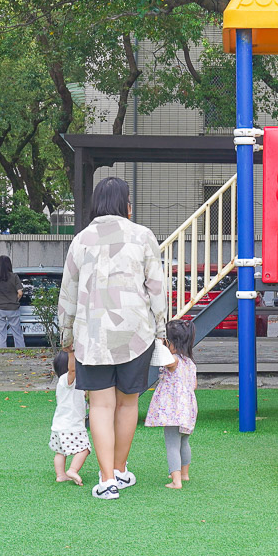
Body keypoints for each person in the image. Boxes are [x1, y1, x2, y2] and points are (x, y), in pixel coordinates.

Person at [58, 176, 166, 500]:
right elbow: (157, 288)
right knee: (128, 403)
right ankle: (120, 469)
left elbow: (68, 292)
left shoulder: (81, 240)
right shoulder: (143, 236)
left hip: (91, 336)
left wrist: (67, 335)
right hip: (135, 333)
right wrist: (161, 329)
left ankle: (106, 481)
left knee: (101, 406)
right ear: (126, 203)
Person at [145, 319, 198, 489]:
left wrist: (159, 343)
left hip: (173, 409)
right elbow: (194, 385)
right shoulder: (189, 363)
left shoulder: (173, 361)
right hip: (187, 408)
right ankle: (184, 473)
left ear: (170, 343)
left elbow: (165, 361)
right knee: (184, 442)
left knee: (172, 444)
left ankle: (176, 481)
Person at [50, 350, 91, 485]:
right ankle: (73, 470)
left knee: (60, 452)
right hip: (72, 425)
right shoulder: (68, 380)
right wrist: (73, 352)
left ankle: (60, 475)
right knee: (84, 449)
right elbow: (72, 370)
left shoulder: (62, 383)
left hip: (58, 426)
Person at [0, 255, 24, 348]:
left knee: (1, 334)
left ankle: (3, 352)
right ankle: (22, 351)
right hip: (13, 308)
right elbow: (20, 293)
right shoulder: (14, 277)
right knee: (17, 333)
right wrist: (15, 300)